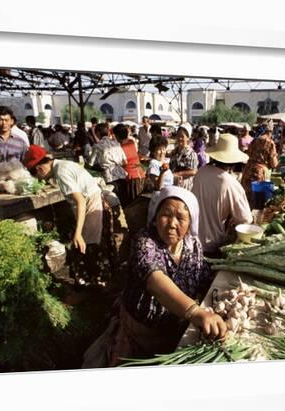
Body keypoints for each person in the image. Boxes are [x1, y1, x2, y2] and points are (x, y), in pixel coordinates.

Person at [82, 186, 227, 368]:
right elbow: (155, 280)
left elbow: (202, 275)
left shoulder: (193, 246)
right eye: (166, 214)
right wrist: (195, 312)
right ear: (155, 216)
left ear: (190, 222)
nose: (172, 224)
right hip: (139, 334)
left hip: (173, 331)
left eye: (181, 218)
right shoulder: (145, 241)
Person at [23, 145, 116, 290]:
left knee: (87, 249)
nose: (38, 177)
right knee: (95, 249)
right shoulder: (62, 166)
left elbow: (80, 201)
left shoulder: (61, 172)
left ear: (39, 168)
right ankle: (99, 288)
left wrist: (78, 233)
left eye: (35, 173)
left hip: (93, 207)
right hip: (97, 205)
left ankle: (91, 289)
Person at [192, 134, 252, 255]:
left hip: (192, 240)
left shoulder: (201, 172)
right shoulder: (230, 183)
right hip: (213, 244)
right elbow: (246, 219)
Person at [240, 120, 279, 207]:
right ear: (270, 131)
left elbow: (248, 154)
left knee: (245, 199)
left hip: (248, 169)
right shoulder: (270, 143)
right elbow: (274, 164)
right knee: (256, 201)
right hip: (259, 173)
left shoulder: (255, 140)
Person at [91, 123, 128, 204]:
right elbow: (125, 162)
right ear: (108, 132)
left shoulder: (97, 146)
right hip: (122, 176)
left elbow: (91, 164)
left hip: (109, 177)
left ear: (97, 133)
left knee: (113, 203)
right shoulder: (116, 144)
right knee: (124, 202)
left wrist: (102, 166)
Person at [113, 123, 145, 208]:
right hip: (140, 173)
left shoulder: (119, 147)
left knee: (133, 204)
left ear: (117, 136)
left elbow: (120, 163)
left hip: (132, 177)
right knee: (140, 202)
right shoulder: (131, 142)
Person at [169, 126, 198, 191]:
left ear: (187, 138)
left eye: (182, 136)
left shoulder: (191, 153)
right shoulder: (175, 151)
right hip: (174, 184)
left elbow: (193, 171)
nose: (180, 138)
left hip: (185, 185)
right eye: (178, 136)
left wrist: (177, 174)